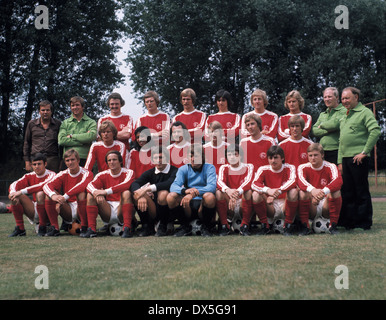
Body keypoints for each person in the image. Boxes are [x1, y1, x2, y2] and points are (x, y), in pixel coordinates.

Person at [338, 87, 381, 230]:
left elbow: (375, 131)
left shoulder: (365, 112)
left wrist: (364, 152)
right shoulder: (344, 115)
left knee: (361, 191)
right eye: (343, 99)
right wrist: (340, 161)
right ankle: (349, 222)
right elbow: (341, 141)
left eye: (347, 98)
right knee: (347, 191)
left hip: (358, 159)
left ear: (356, 97)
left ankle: (364, 222)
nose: (344, 101)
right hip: (345, 159)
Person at [167, 143, 217, 237]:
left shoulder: (210, 167)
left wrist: (193, 194)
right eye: (191, 156)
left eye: (196, 156)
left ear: (202, 157)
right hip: (187, 204)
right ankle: (185, 227)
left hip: (203, 202)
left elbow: (212, 187)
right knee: (171, 197)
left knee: (210, 196)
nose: (193, 159)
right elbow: (173, 186)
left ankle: (206, 227)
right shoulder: (183, 169)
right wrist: (185, 191)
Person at [85, 150, 135, 238]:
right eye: (109, 160)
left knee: (126, 192)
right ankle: (91, 229)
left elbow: (125, 185)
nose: (112, 162)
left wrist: (105, 192)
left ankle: (127, 228)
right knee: (90, 195)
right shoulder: (101, 175)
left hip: (122, 206)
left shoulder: (129, 172)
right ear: (107, 163)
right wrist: (96, 193)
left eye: (114, 159)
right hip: (107, 209)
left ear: (120, 161)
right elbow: (89, 186)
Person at [43, 149, 93, 236]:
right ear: (65, 162)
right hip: (68, 208)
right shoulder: (63, 173)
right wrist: (54, 196)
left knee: (81, 194)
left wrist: (64, 197)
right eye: (67, 160)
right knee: (48, 195)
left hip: (82, 207)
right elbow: (46, 186)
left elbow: (81, 186)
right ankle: (54, 228)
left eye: (72, 159)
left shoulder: (87, 173)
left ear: (78, 160)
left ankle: (84, 227)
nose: (70, 162)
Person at [131, 146, 178, 237]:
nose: (158, 160)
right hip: (154, 208)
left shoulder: (175, 171)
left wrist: (147, 189)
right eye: (156, 158)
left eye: (161, 157)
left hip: (170, 209)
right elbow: (135, 183)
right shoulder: (150, 172)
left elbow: (168, 183)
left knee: (163, 193)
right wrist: (140, 195)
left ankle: (163, 225)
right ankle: (147, 226)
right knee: (136, 194)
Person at [251, 146, 298, 236]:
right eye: (270, 158)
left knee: (294, 191)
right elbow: (254, 184)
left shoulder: (290, 168)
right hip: (270, 205)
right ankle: (265, 226)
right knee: (255, 194)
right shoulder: (263, 169)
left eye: (276, 157)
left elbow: (293, 181)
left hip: (285, 203)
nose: (273, 160)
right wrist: (268, 190)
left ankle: (288, 226)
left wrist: (276, 193)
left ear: (282, 158)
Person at [298, 143, 343, 235]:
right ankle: (305, 227)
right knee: (302, 193)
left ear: (322, 155)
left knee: (336, 191)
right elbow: (300, 182)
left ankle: (333, 226)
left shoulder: (331, 166)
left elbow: (338, 181)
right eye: (310, 155)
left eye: (315, 155)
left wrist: (323, 192)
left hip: (326, 203)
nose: (313, 158)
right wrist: (313, 191)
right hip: (312, 204)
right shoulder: (302, 167)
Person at [8, 153, 56, 237]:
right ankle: (20, 229)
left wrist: (22, 191)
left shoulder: (52, 175)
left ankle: (44, 226)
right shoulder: (29, 176)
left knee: (40, 193)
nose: (37, 166)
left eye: (39, 164)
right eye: (34, 164)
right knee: (15, 196)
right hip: (35, 208)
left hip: (50, 209)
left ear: (45, 164)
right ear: (31, 165)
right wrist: (12, 193)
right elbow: (14, 184)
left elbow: (42, 185)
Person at [216, 144, 254, 236]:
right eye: (229, 155)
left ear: (240, 155)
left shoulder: (248, 166)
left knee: (248, 192)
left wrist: (236, 193)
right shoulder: (224, 168)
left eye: (235, 154)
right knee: (218, 192)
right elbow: (219, 182)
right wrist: (228, 191)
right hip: (229, 202)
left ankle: (245, 226)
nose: (232, 157)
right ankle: (225, 226)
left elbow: (249, 182)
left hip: (242, 200)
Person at [58, 96, 97, 169]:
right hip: (68, 159)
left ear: (82, 107)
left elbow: (92, 136)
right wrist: (83, 141)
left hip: (84, 158)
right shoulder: (65, 123)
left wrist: (72, 136)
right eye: (72, 105)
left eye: (77, 105)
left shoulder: (91, 122)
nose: (75, 107)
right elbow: (61, 140)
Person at [23, 100, 61, 173]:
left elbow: (61, 144)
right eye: (43, 110)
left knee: (53, 182)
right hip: (35, 159)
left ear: (51, 111)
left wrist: (61, 161)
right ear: (39, 111)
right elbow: (26, 142)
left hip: (53, 160)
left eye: (47, 110)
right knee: (35, 182)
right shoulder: (31, 124)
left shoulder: (58, 124)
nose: (45, 112)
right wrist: (27, 161)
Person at [312, 87, 346, 164]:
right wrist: (329, 130)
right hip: (322, 151)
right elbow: (314, 130)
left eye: (329, 97)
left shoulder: (344, 110)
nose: (327, 99)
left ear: (337, 97)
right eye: (325, 97)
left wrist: (321, 125)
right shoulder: (322, 114)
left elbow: (335, 125)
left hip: (337, 150)